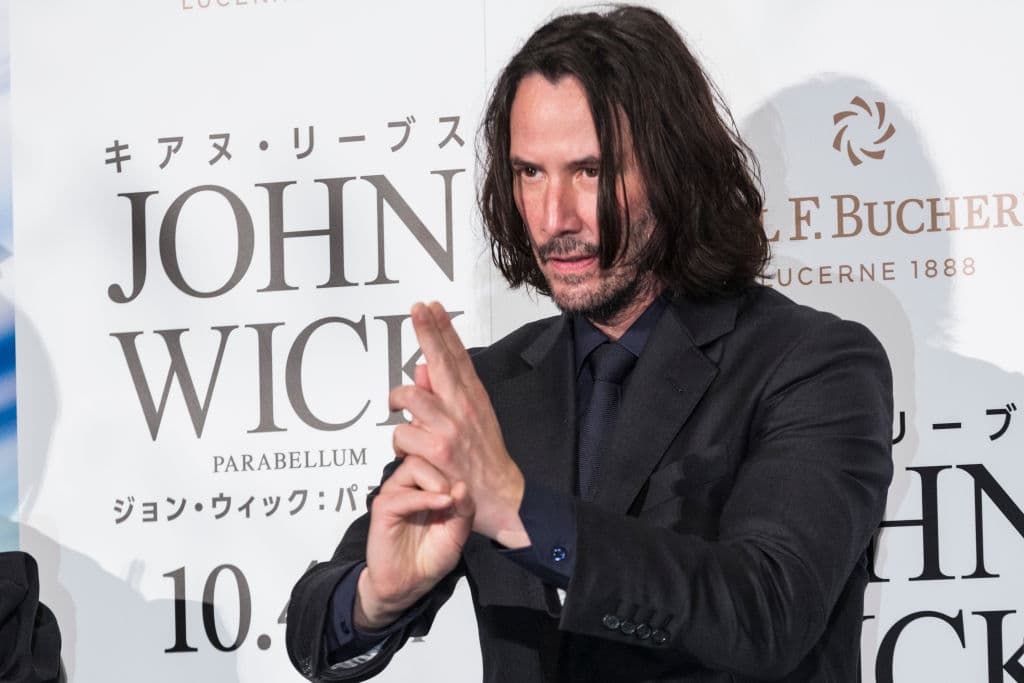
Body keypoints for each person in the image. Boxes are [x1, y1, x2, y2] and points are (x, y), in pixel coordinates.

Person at [285, 6, 893, 682]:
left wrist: (520, 511)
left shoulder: (812, 364)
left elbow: (768, 611)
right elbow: (315, 624)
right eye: (531, 173)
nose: (554, 219)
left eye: (590, 171)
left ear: (673, 169)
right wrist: (375, 597)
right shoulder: (492, 387)